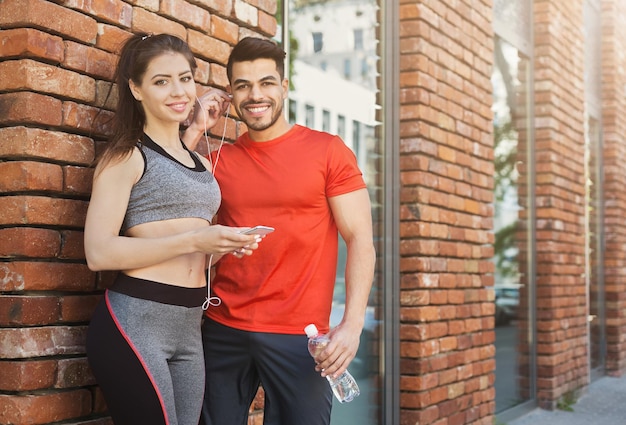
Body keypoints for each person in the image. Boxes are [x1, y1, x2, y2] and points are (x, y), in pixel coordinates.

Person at [183, 36, 376, 425]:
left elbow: (361, 241)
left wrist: (351, 326)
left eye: (266, 83)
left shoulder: (328, 151)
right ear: (232, 94)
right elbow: (178, 218)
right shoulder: (217, 161)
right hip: (223, 328)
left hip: (300, 336)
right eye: (243, 85)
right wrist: (194, 129)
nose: (256, 95)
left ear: (284, 87)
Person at [84, 33, 262, 425]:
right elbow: (98, 253)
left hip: (188, 326)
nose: (178, 91)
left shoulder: (195, 158)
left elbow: (183, 220)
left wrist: (224, 246)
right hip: (136, 322)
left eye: (185, 78)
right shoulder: (126, 155)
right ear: (136, 88)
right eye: (161, 81)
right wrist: (197, 240)